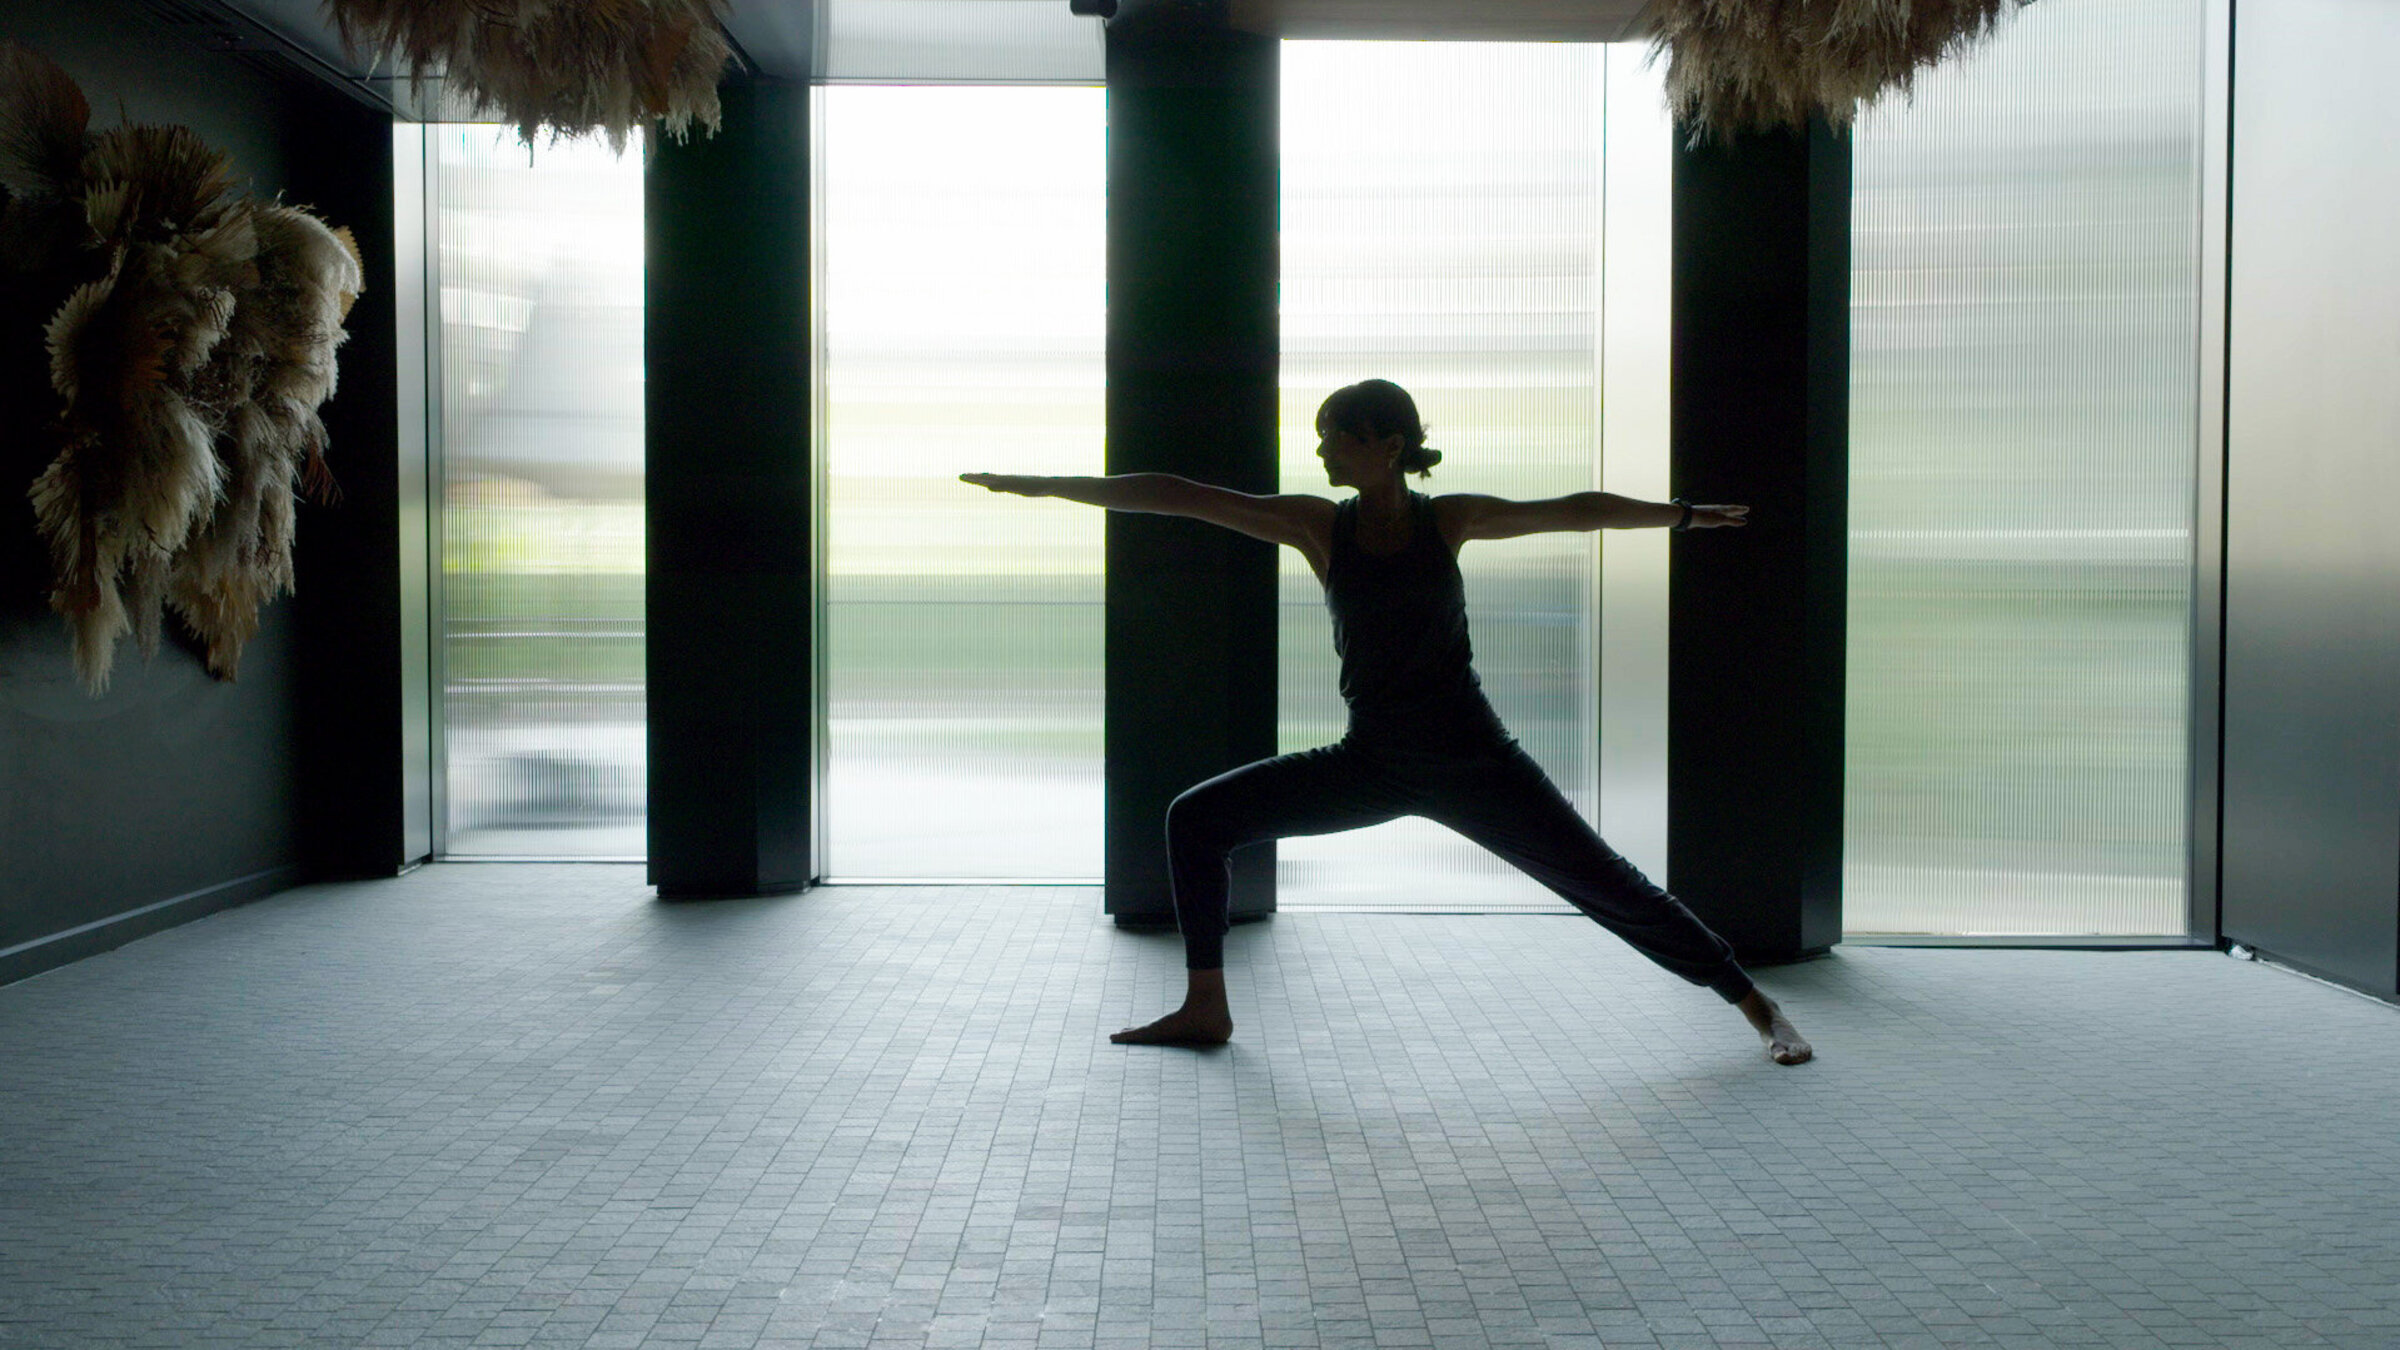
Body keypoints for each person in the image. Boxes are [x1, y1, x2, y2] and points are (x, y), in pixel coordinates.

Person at [962, 378, 1812, 1065]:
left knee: (1611, 886)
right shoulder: (1314, 526)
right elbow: (1181, 496)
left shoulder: (1451, 520)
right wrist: (1042, 487)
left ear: (1389, 444)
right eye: (1322, 433)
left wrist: (1682, 514)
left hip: (1477, 761)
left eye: (1336, 433)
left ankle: (1756, 1005)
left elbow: (1574, 508)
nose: (1322, 447)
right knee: (1197, 818)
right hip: (1372, 761)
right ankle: (1206, 1007)